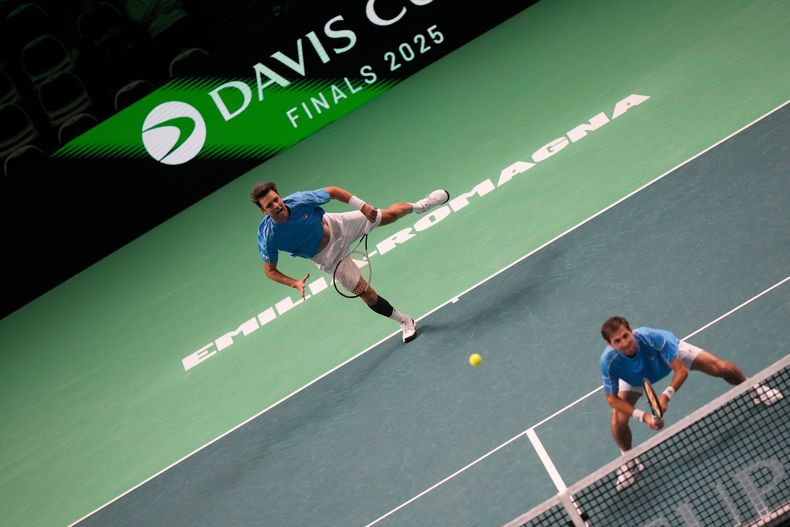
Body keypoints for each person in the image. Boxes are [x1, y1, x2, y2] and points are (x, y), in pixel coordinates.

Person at [599, 316, 783, 490]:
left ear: (631, 331)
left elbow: (681, 371)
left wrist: (665, 396)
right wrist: (644, 416)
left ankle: (755, 388)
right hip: (634, 378)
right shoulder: (608, 362)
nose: (625, 343)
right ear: (610, 344)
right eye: (617, 341)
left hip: (667, 359)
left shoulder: (653, 338)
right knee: (617, 421)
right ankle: (630, 461)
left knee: (721, 367)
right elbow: (611, 399)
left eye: (626, 336)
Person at [251, 182, 450, 342]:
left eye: (276, 199)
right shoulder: (268, 237)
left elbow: (333, 191)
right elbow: (270, 270)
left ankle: (422, 205)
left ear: (280, 196)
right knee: (367, 295)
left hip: (338, 225)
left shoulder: (299, 201)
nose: (276, 206)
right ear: (264, 212)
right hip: (329, 258)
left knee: (390, 215)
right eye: (269, 205)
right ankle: (405, 321)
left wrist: (362, 207)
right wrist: (293, 282)